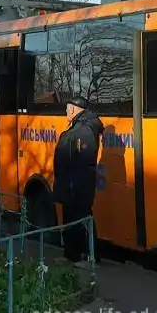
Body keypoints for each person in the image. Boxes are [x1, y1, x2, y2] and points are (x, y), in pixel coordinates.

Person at [53, 96, 102, 266]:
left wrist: (73, 182)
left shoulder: (84, 129)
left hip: (78, 184)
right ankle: (71, 255)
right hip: (71, 183)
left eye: (67, 109)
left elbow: (81, 158)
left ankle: (90, 257)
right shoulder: (79, 126)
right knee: (71, 220)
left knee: (82, 218)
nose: (66, 112)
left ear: (73, 109)